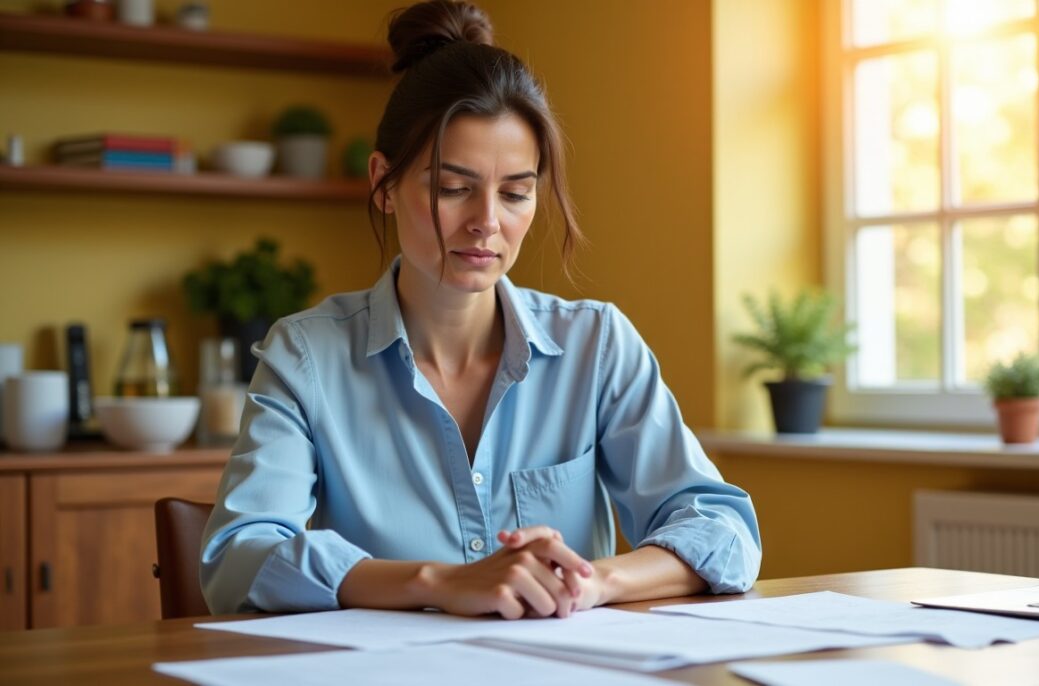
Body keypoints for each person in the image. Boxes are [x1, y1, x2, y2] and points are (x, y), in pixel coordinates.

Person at [200, 0, 760, 620]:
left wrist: (590, 582)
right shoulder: (305, 355)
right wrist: (440, 582)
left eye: (516, 192)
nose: (487, 223)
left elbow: (723, 531)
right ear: (383, 184)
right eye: (452, 188)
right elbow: (239, 555)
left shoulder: (597, 345)